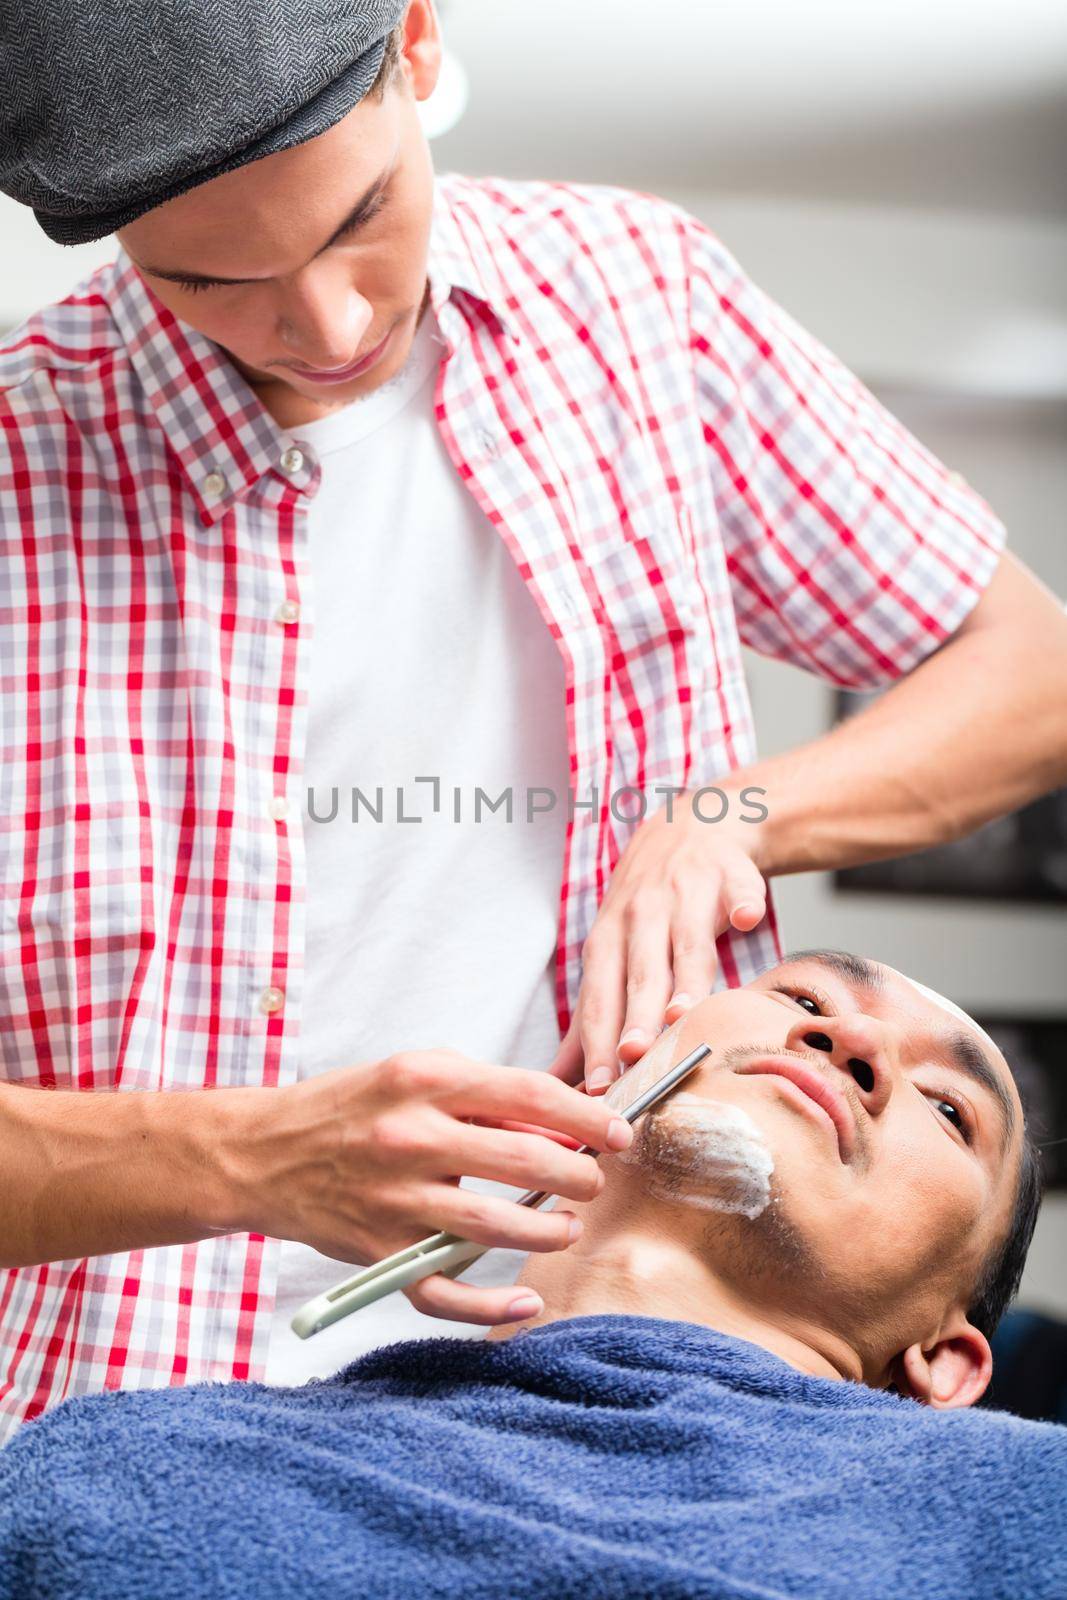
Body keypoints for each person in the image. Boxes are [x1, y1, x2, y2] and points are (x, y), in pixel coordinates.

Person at [1, 0, 1066, 1439]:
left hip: (628, 1430)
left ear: (421, 52)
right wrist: (249, 1158)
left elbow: (1032, 675)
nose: (324, 324)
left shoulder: (636, 303)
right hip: (114, 1446)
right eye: (210, 280)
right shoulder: (21, 465)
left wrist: (727, 813)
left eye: (356, 217)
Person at [0, 948, 1062, 1600]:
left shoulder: (1025, 1506)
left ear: (945, 1357)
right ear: (618, 1078)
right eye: (798, 993)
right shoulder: (118, 1462)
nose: (852, 1036)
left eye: (947, 1108)